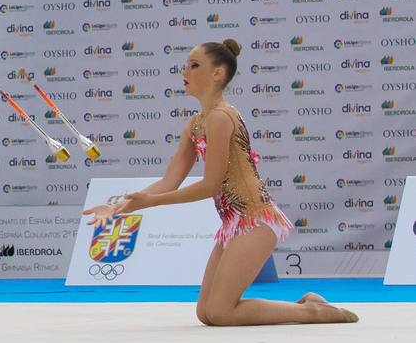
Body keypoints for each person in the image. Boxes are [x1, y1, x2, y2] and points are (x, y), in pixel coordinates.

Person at [83, 40, 357, 326]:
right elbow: (170, 180)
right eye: (185, 65)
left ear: (218, 74)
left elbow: (210, 185)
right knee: (207, 314)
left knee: (222, 312)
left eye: (194, 65)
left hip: (256, 219)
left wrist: (150, 203)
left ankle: (314, 312)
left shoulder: (221, 117)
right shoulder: (195, 124)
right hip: (232, 224)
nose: (184, 71)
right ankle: (309, 305)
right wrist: (117, 207)